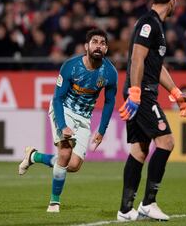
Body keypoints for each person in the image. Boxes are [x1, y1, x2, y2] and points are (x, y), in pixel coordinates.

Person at [18, 28, 118, 213]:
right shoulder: (70, 66)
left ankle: (34, 156)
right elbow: (57, 98)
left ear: (106, 49)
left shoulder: (110, 73)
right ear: (86, 46)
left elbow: (110, 101)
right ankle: (54, 202)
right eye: (95, 42)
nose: (99, 46)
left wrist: (102, 130)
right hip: (64, 110)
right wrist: (63, 125)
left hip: (84, 118)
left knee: (73, 165)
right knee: (65, 153)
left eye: (103, 43)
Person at [117, 0, 186, 222]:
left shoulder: (156, 25)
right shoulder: (149, 23)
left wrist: (175, 92)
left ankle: (125, 210)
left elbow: (155, 65)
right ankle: (148, 203)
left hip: (143, 91)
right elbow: (137, 58)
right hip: (142, 94)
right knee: (167, 141)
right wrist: (136, 92)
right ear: (172, 0)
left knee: (140, 150)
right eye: (176, 2)